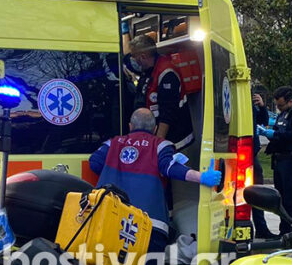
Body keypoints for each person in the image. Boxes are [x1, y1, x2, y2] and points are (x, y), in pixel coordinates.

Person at [90, 108, 220, 252]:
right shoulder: (160, 145)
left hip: (109, 220)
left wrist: (118, 168)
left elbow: (94, 163)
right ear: (155, 129)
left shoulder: (113, 143)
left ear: (130, 126)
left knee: (108, 263)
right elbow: (170, 168)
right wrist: (202, 177)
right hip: (149, 226)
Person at [258, 86, 292, 234]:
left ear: (291, 101)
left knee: (291, 200)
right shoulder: (282, 115)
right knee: (280, 200)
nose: (279, 108)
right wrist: (268, 133)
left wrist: (274, 134)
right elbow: (278, 133)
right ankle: (284, 231)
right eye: (277, 105)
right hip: (279, 161)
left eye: (281, 105)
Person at [128, 35, 194, 151]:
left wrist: (157, 145)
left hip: (175, 140)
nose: (133, 60)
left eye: (134, 56)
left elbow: (167, 114)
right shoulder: (148, 71)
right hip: (157, 136)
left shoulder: (166, 73)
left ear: (142, 57)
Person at [251, 90, 278, 239]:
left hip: (252, 154)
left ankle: (261, 228)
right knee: (254, 192)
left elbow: (263, 121)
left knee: (257, 193)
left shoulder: (250, 105)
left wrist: (262, 106)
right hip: (244, 153)